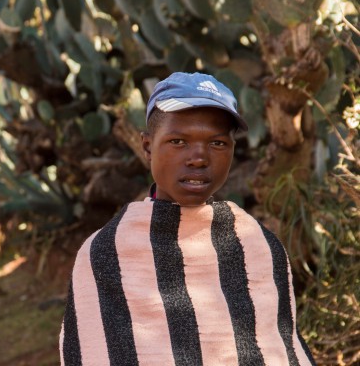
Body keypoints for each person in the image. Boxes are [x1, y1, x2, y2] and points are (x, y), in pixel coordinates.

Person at [59, 72, 316, 365]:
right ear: (147, 147)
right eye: (178, 141)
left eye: (217, 143)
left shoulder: (255, 243)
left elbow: (278, 351)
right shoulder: (106, 254)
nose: (198, 158)